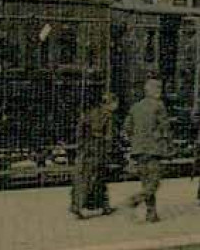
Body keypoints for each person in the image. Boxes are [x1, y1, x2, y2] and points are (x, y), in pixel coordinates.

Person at [122, 77, 172, 223]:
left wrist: (136, 140)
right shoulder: (159, 105)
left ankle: (152, 214)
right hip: (153, 149)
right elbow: (165, 127)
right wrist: (168, 145)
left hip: (138, 150)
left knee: (146, 181)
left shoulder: (136, 106)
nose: (160, 92)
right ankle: (136, 198)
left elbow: (127, 128)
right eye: (158, 89)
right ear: (153, 90)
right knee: (154, 183)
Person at [69, 90, 118, 219]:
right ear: (109, 103)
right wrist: (106, 146)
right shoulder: (103, 115)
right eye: (115, 103)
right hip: (93, 152)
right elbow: (100, 134)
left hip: (90, 151)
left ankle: (103, 205)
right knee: (89, 179)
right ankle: (78, 207)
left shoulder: (94, 113)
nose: (116, 106)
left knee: (98, 179)